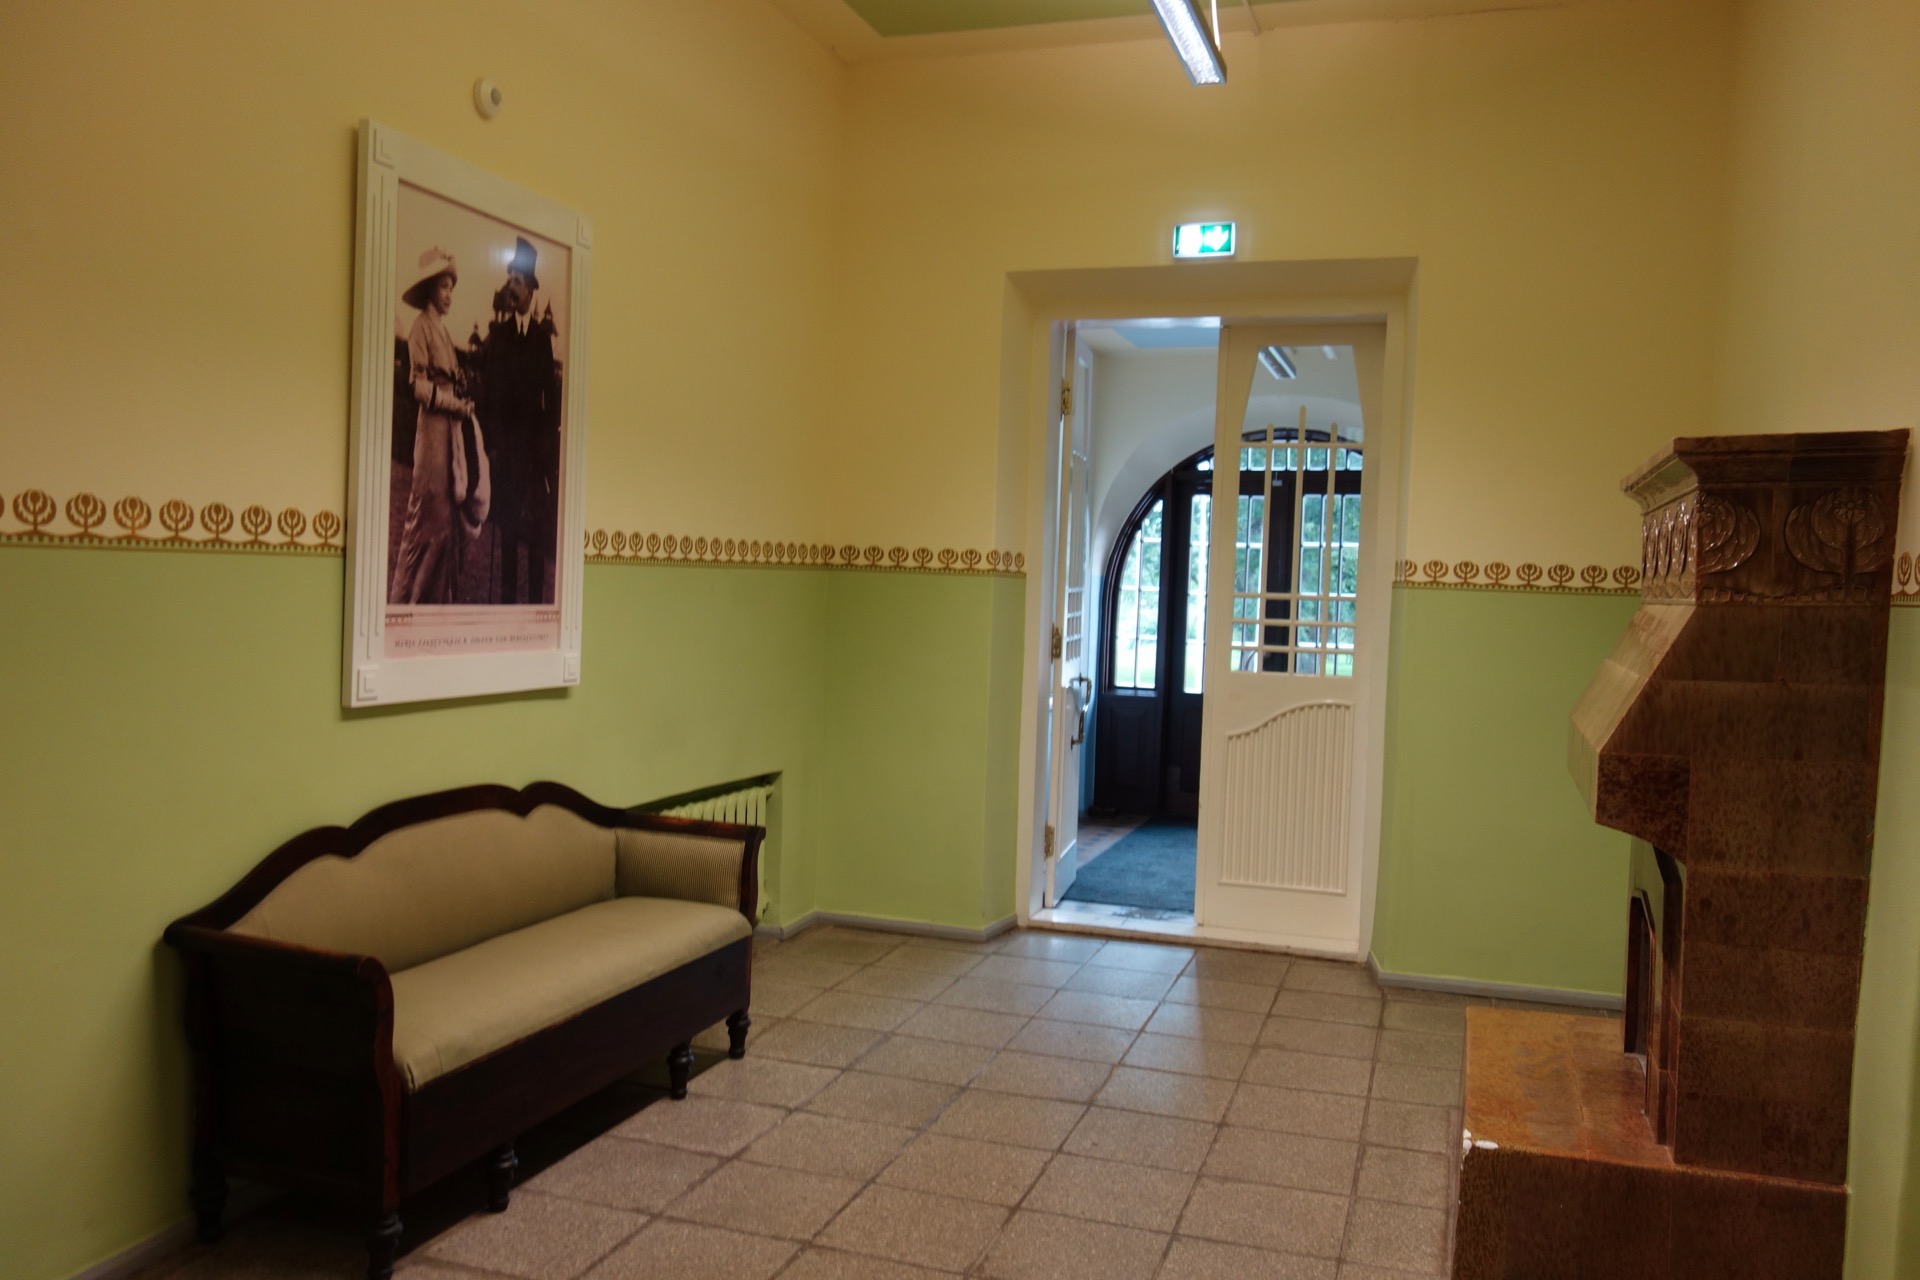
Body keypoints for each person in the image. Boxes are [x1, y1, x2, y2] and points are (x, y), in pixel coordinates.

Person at [389, 247, 489, 605]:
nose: (449, 295)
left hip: (450, 434)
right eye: (444, 287)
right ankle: (407, 602)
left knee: (446, 524)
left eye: (451, 288)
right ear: (430, 288)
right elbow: (418, 386)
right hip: (432, 433)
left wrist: (463, 399)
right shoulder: (420, 328)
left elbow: (450, 380)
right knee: (426, 521)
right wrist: (452, 404)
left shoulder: (443, 332)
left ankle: (436, 603)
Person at [480, 236, 562, 604]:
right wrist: (493, 446)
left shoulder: (542, 341)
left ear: (529, 290)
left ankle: (535, 606)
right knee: (509, 530)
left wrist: (546, 451)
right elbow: (490, 397)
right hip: (507, 452)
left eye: (517, 281)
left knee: (538, 533)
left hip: (535, 455)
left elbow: (550, 400)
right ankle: (507, 606)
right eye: (510, 279)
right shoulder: (499, 336)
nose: (511, 287)